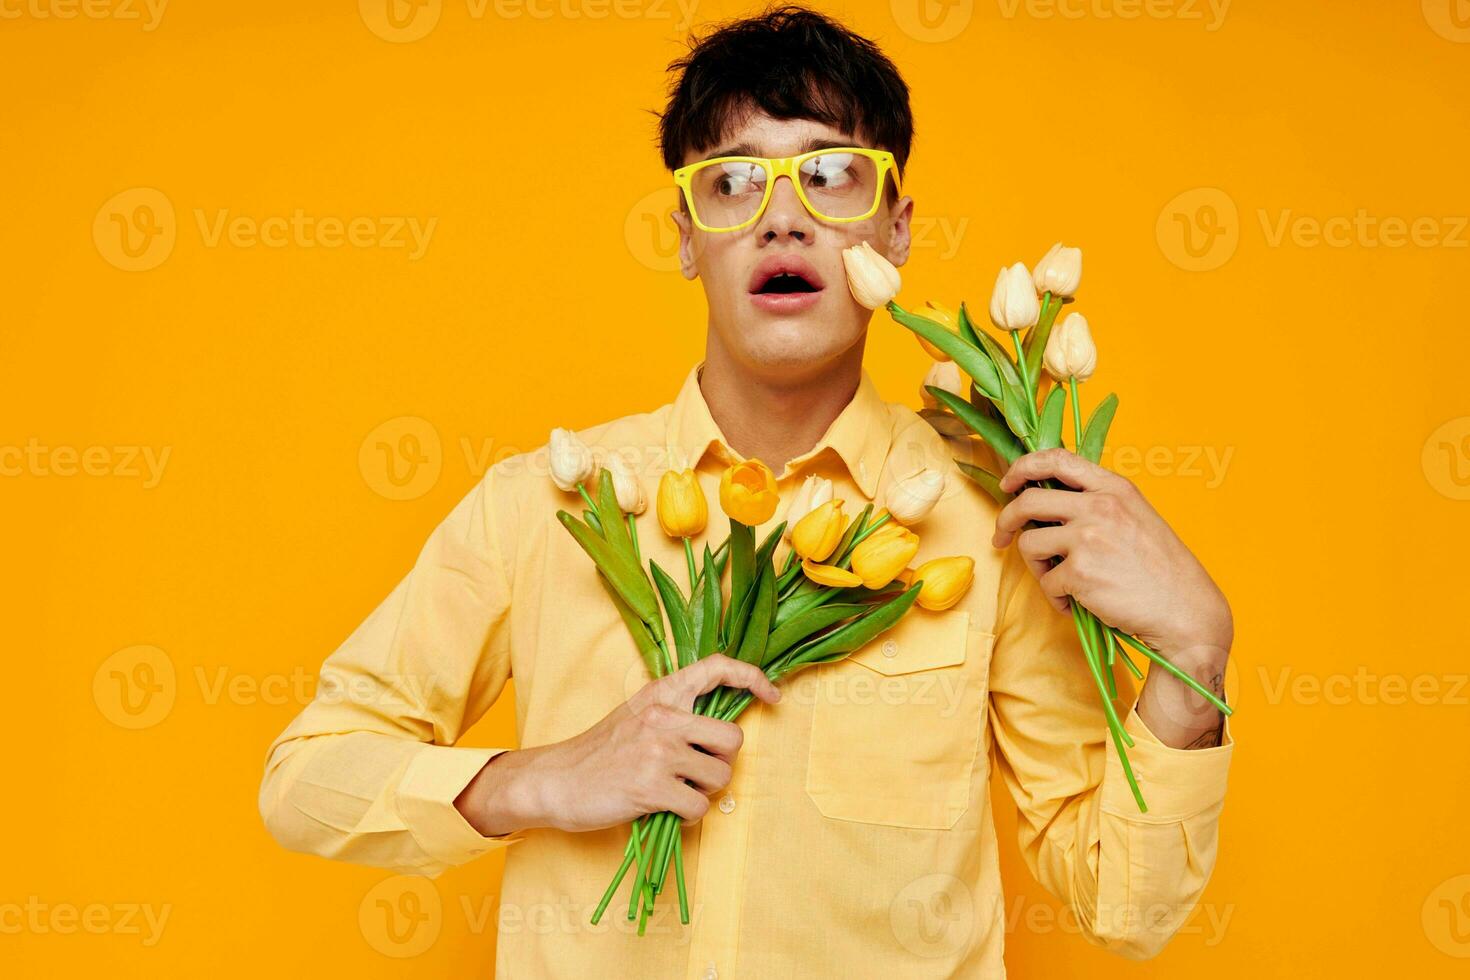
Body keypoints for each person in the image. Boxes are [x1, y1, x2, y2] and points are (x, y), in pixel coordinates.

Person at [259, 6, 1234, 976]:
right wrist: (539, 779)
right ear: (686, 238)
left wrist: (1194, 652)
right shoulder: (545, 507)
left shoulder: (989, 527)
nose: (781, 215)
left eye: (828, 174)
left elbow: (1124, 902)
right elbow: (304, 775)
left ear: (895, 230)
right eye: (731, 182)